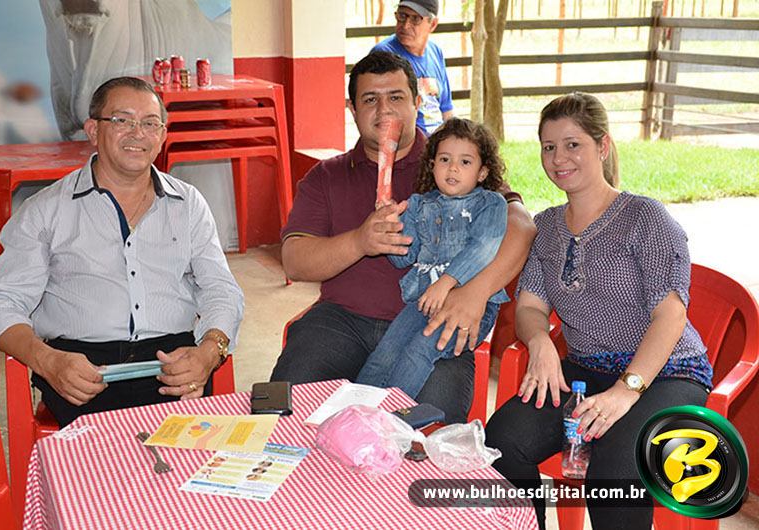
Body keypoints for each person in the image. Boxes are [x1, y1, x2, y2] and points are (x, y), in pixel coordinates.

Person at [484, 92, 713, 530]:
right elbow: (530, 305)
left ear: (602, 146)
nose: (558, 158)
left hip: (665, 373)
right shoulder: (546, 226)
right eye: (549, 147)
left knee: (615, 468)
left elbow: (670, 315)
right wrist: (539, 342)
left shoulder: (645, 217)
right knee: (502, 441)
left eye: (573, 144)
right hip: (586, 370)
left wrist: (627, 390)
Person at [271, 51, 536, 423]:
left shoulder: (451, 160)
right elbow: (294, 261)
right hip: (343, 320)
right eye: (370, 100)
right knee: (286, 404)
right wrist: (359, 242)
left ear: (416, 102)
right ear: (352, 109)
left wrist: (474, 292)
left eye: (395, 97)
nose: (384, 111)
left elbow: (521, 226)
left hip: (437, 317)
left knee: (430, 420)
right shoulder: (326, 177)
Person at [0, 76, 244, 427]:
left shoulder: (188, 204)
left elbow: (221, 289)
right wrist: (47, 360)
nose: (137, 133)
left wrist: (209, 351)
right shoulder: (47, 209)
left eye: (150, 123)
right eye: (122, 120)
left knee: (193, 451)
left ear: (162, 135)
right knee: (103, 454)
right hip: (81, 368)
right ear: (93, 131)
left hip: (171, 361)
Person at [356, 118, 509, 398]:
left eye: (465, 162)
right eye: (445, 159)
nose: (453, 168)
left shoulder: (490, 204)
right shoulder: (419, 205)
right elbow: (404, 259)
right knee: (385, 353)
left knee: (419, 351)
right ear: (432, 165)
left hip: (471, 305)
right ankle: (356, 410)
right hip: (424, 298)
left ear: (482, 172)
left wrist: (446, 282)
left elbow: (483, 247)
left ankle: (392, 417)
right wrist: (393, 227)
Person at [372, 0, 452, 135]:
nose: (405, 25)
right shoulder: (384, 55)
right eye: (402, 16)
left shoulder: (435, 52)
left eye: (415, 19)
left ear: (432, 24)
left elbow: (446, 109)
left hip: (438, 139)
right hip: (406, 141)